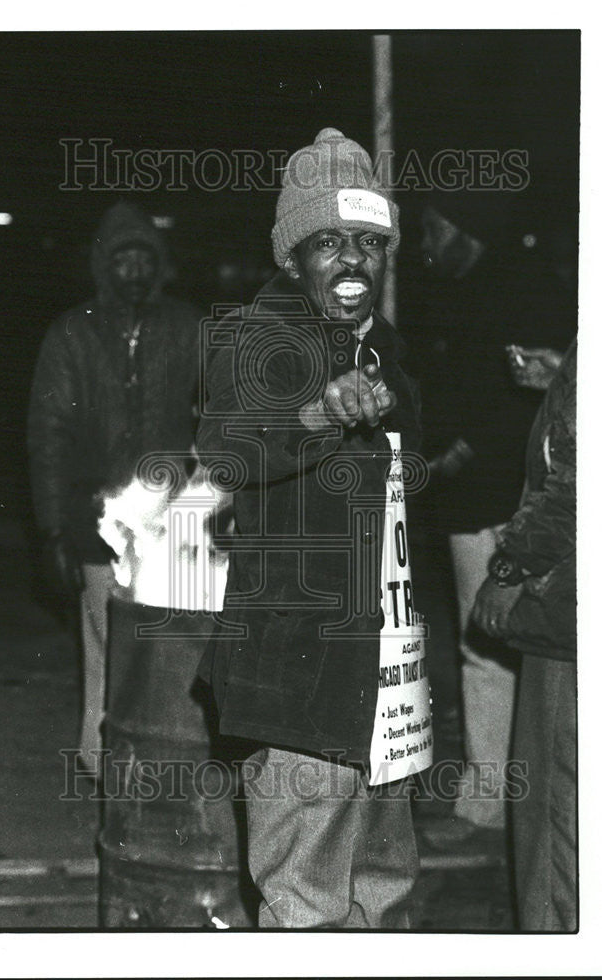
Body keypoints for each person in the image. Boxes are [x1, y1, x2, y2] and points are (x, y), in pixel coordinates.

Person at [196, 128, 426, 928]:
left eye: (369, 242)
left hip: (384, 671)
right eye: (328, 242)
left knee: (384, 886)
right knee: (308, 903)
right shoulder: (262, 335)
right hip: (299, 674)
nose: (353, 260)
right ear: (293, 257)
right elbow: (228, 442)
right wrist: (319, 410)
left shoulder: (384, 347)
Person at [27, 200, 202, 774]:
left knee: (167, 650)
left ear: (161, 266)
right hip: (96, 522)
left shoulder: (188, 327)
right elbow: (48, 434)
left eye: (144, 259)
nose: (134, 271)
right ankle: (103, 770)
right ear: (102, 266)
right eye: (121, 259)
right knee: (106, 649)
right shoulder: (72, 333)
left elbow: (218, 419)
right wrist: (53, 528)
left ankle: (157, 770)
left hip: (172, 524)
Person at [418, 199, 574, 838]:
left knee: (490, 641)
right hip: (485, 494)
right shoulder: (465, 293)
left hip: (506, 497)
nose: (424, 241)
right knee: (498, 643)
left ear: (468, 225)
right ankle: (513, 799)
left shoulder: (514, 291)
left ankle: (489, 803)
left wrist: (454, 456)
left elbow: (517, 405)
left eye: (434, 226)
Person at [472, 337, 577, 931]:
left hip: (568, 605)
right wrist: (565, 375)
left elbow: (572, 491)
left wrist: (509, 568)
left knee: (554, 814)